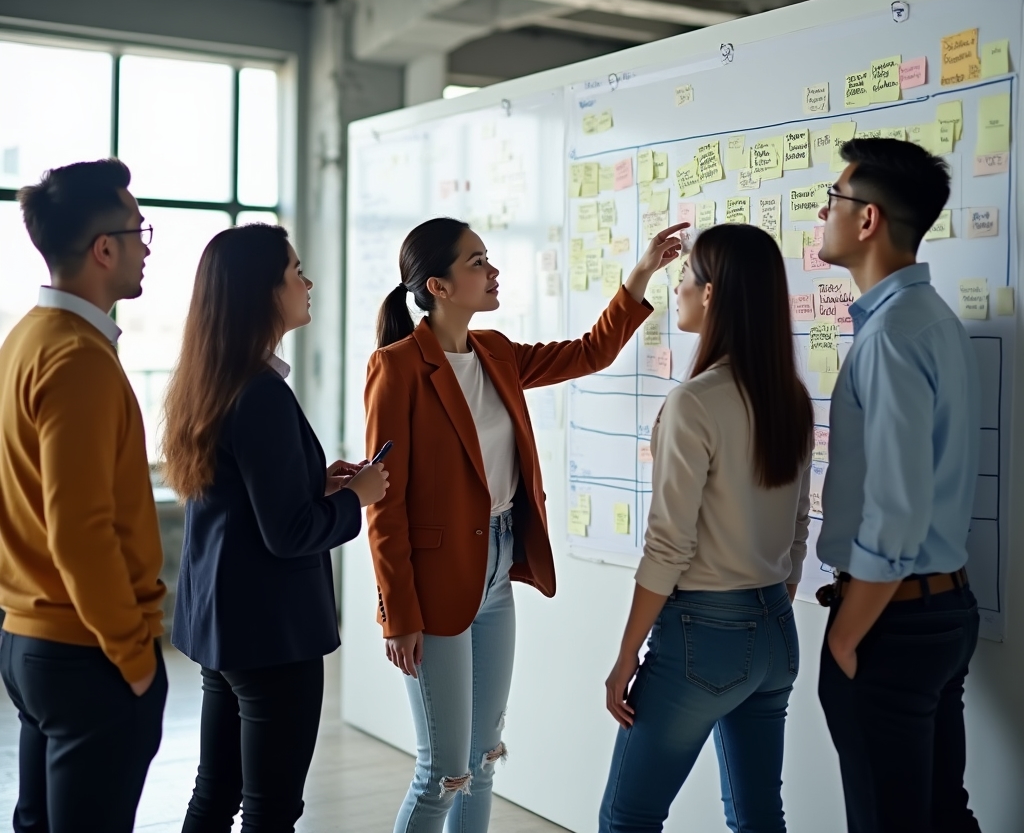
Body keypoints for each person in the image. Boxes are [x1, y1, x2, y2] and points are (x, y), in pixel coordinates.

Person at [365, 216, 684, 833]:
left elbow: (590, 352)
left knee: (482, 761)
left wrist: (642, 273)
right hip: (433, 583)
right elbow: (385, 504)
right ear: (438, 286)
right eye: (477, 262)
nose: (493, 271)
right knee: (441, 772)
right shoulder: (397, 367)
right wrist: (396, 615)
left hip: (496, 568)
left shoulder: (496, 352)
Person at [162, 224, 388, 833]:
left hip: (225, 624)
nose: (308, 283)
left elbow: (244, 498)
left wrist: (320, 482)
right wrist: (359, 499)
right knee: (271, 807)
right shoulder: (260, 392)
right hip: (271, 634)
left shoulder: (213, 377)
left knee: (215, 792)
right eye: (296, 273)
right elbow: (288, 534)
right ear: (262, 291)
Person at [599, 224, 812, 833]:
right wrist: (768, 599)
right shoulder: (790, 397)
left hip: (703, 638)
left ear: (713, 294)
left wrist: (624, 658)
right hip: (775, 630)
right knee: (757, 818)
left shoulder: (693, 401)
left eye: (686, 277)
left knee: (626, 819)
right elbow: (799, 527)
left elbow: (668, 546)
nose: (680, 290)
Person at [815, 138, 982, 833]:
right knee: (941, 813)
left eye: (833, 197)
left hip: (893, 619)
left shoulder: (889, 336)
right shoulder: (931, 318)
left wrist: (847, 637)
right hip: (942, 609)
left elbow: (896, 510)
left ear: (867, 220)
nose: (821, 212)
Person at [0, 159, 166, 833]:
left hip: (33, 637)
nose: (146, 246)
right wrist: (132, 656)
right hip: (86, 650)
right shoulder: (77, 360)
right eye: (138, 230)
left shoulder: (26, 338)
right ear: (104, 248)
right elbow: (81, 531)